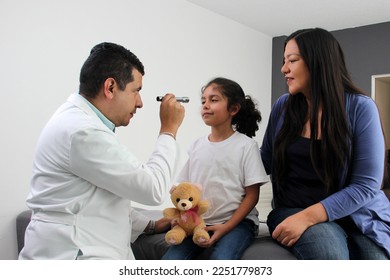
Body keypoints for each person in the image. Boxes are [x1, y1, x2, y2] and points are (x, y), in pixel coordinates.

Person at [19, 42, 185, 260]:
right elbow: (153, 189)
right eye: (136, 91)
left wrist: (151, 225)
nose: (140, 103)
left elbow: (98, 198)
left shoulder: (78, 122)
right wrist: (168, 130)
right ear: (110, 87)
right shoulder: (83, 132)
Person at [260, 28, 390, 259]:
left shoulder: (361, 108)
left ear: (318, 62)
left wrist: (309, 217)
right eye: (283, 61)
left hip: (357, 213)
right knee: (330, 256)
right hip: (294, 208)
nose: (284, 69)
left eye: (292, 60)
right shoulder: (283, 107)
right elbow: (263, 162)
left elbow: (366, 185)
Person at [162, 77, 269, 260]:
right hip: (199, 223)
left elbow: (252, 195)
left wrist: (226, 227)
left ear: (234, 109)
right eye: (203, 100)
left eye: (213, 100)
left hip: (238, 223)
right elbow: (186, 190)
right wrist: (181, 218)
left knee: (221, 260)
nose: (205, 105)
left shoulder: (246, 146)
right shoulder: (196, 146)